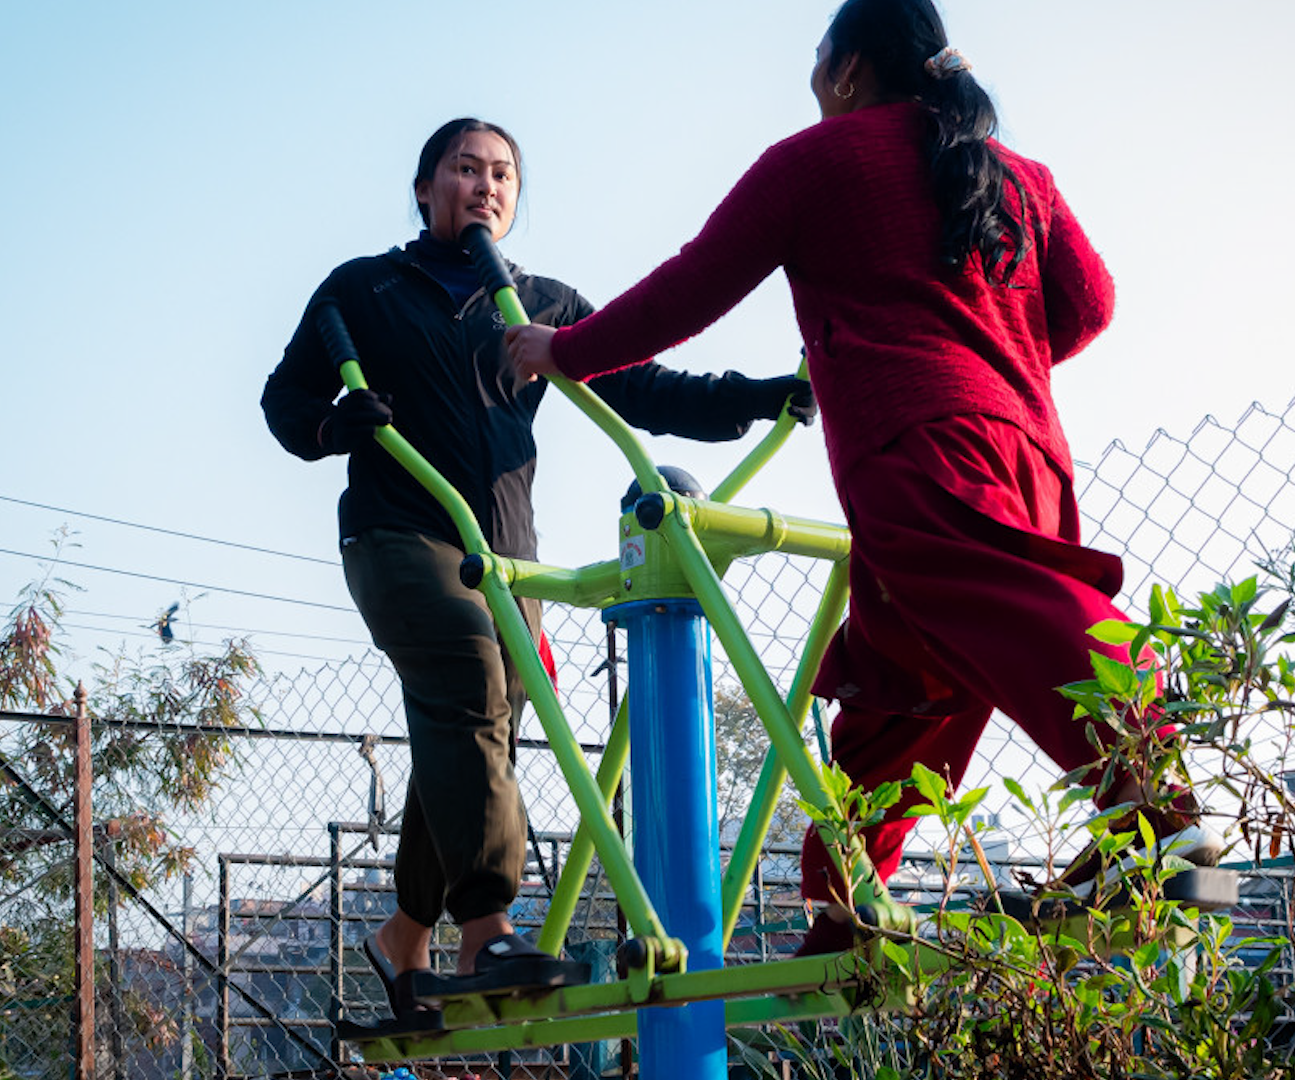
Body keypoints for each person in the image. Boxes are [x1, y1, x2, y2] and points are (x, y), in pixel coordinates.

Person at [503, 0, 1220, 954]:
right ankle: (844, 903)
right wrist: (991, 353)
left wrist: (566, 348)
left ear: (845, 70)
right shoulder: (1019, 176)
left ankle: (1159, 814)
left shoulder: (818, 160)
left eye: (816, 60)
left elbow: (694, 286)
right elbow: (1089, 307)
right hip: (1027, 450)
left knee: (1021, 611)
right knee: (902, 679)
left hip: (917, 446)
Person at [261, 117, 813, 1012]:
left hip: (507, 559)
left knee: (482, 723)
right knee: (470, 677)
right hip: (400, 530)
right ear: (424, 187)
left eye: (503, 174)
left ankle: (401, 941)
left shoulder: (541, 305)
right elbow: (285, 401)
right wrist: (333, 428)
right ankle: (487, 932)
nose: (486, 186)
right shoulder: (363, 289)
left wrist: (755, 396)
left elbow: (644, 385)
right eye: (465, 168)